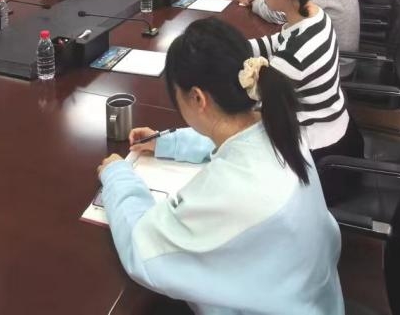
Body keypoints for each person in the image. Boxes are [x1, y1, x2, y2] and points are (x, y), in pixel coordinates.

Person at [97, 18, 344, 314]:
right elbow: (236, 138)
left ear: (197, 98)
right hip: (313, 295)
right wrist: (167, 143)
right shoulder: (280, 125)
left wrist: (117, 175)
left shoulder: (230, 191)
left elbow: (144, 249)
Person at [245, 0, 363, 184]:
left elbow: (258, 116)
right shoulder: (314, 15)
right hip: (341, 135)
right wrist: (237, 48)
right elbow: (278, 41)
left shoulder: (291, 61)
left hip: (322, 164)